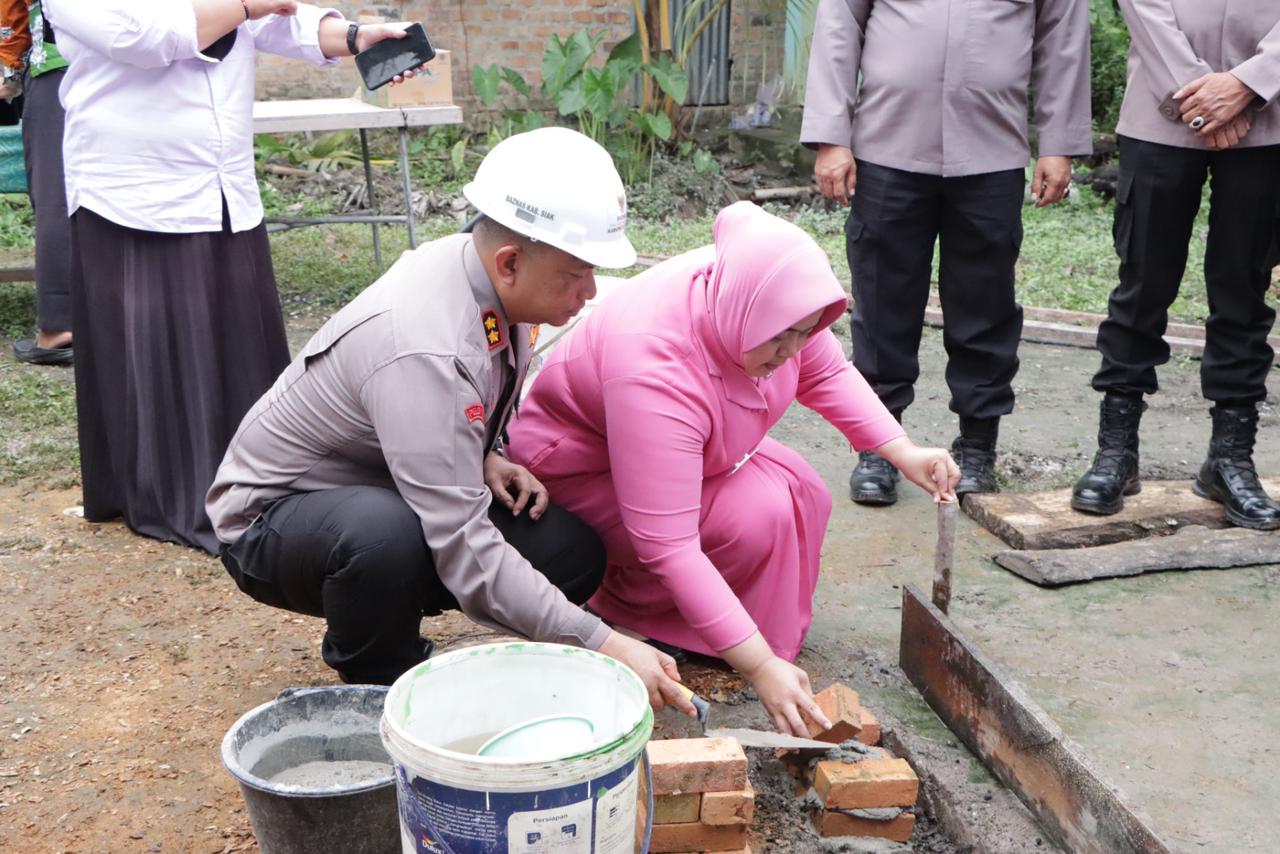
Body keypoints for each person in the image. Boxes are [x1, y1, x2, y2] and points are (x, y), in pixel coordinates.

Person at [207, 128, 697, 710]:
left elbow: (443, 413)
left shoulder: (486, 277)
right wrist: (604, 642)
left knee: (570, 552)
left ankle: (460, 646)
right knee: (381, 538)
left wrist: (485, 453)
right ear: (511, 261)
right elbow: (462, 538)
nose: (590, 292)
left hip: (384, 482)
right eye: (576, 273)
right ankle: (379, 682)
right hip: (277, 518)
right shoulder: (425, 344)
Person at [505, 202, 960, 736]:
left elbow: (826, 369)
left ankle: (738, 633)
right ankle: (640, 614)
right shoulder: (653, 363)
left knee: (802, 489)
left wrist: (901, 450)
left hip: (682, 453)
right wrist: (759, 668)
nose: (790, 351)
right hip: (584, 470)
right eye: (779, 338)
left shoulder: (762, 296)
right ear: (745, 310)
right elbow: (668, 542)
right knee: (754, 516)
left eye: (803, 333)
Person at [43, 0, 425, 552]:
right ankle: (173, 495)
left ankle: (262, 484)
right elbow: (141, 34)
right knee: (166, 359)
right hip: (134, 186)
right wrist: (245, 4)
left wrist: (357, 36)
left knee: (239, 345)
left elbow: (277, 18)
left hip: (222, 181)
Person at [801, 0, 1092, 506]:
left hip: (991, 150)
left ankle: (978, 445)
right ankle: (878, 445)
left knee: (986, 303)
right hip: (887, 146)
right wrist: (831, 137)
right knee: (882, 300)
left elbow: (1062, 38)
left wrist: (1058, 143)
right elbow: (838, 25)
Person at [1071, 2, 1280, 529]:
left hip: (1270, 115)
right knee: (1142, 283)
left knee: (1244, 286)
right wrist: (1200, 92)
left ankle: (1229, 460)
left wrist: (1251, 83)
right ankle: (1117, 453)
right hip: (1160, 110)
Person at [11, 1, 74, 366]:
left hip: (58, 65)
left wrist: (8, 69)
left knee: (56, 195)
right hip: (132, 67)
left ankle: (59, 328)